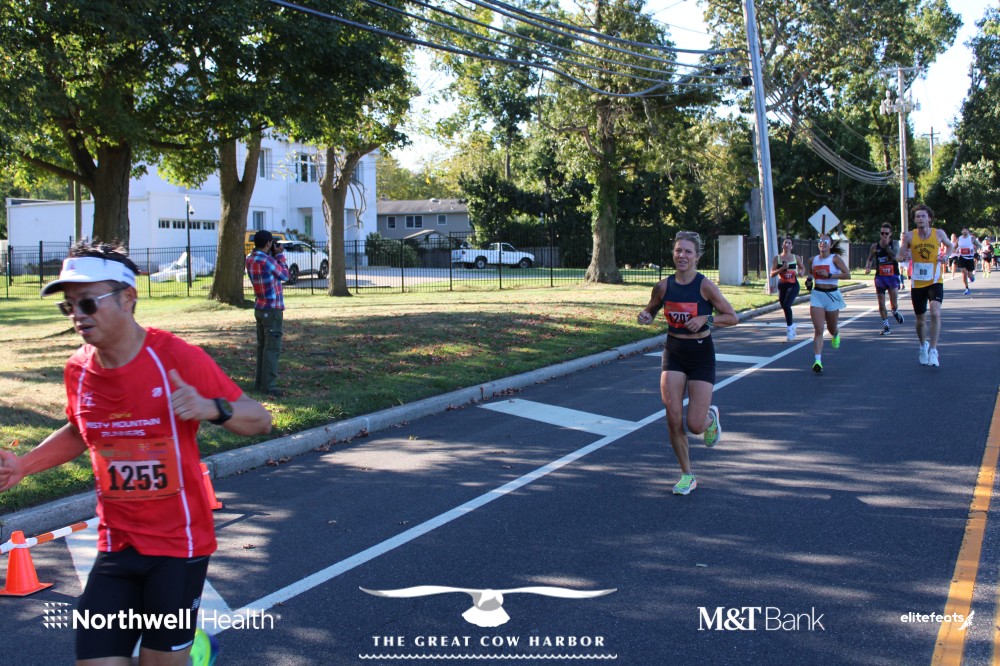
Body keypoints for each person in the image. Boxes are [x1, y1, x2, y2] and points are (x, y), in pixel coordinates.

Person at [0, 241, 272, 665]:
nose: (77, 315)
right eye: (69, 306)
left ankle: (191, 651)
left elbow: (260, 420)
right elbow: (80, 430)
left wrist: (211, 408)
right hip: (116, 543)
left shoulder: (176, 359)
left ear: (128, 297)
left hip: (178, 546)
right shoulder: (78, 369)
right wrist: (23, 465)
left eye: (87, 302)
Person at [637, 231, 738, 496]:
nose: (682, 255)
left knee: (694, 425)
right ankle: (687, 475)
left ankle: (710, 419)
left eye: (688, 251)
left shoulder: (705, 286)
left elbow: (732, 317)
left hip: (701, 354)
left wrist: (707, 319)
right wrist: (645, 316)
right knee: (672, 416)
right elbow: (651, 309)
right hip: (674, 352)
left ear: (697, 256)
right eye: (678, 250)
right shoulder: (663, 286)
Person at [897, 204, 953, 367]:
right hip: (918, 282)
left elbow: (950, 246)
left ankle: (933, 350)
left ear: (929, 218)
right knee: (921, 320)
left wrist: (946, 257)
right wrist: (904, 256)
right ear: (914, 220)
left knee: (935, 313)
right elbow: (899, 256)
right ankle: (923, 346)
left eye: (923, 216)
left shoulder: (938, 233)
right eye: (917, 216)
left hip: (935, 280)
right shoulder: (909, 236)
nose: (920, 219)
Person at [245, 230, 289, 397]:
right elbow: (285, 275)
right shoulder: (267, 260)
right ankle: (269, 386)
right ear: (269, 243)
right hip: (272, 309)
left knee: (262, 347)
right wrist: (280, 256)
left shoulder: (250, 259)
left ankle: (260, 383)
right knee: (272, 348)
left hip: (260, 307)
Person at [807, 233, 851, 374]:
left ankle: (836, 334)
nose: (823, 243)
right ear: (818, 244)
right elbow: (810, 274)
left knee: (831, 328)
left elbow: (847, 275)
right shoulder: (813, 260)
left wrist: (830, 275)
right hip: (817, 295)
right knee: (819, 329)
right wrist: (809, 280)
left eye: (826, 241)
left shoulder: (835, 258)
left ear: (830, 245)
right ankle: (817, 361)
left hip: (832, 295)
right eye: (821, 241)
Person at [865, 223, 905, 336]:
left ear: (890, 234)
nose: (884, 235)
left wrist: (887, 247)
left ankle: (894, 311)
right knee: (881, 304)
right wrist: (868, 267)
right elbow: (870, 259)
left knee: (894, 304)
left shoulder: (895, 243)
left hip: (892, 276)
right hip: (880, 277)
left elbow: (895, 257)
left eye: (886, 233)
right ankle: (886, 326)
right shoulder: (875, 246)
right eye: (882, 233)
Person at [769, 237, 805, 340]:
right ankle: (792, 325)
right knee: (783, 306)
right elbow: (772, 274)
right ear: (782, 245)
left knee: (787, 305)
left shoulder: (795, 257)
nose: (787, 245)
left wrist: (801, 272)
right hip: (782, 285)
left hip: (793, 285)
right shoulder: (777, 258)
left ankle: (789, 329)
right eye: (785, 243)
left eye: (789, 243)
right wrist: (782, 268)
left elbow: (802, 267)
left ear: (792, 246)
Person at [955, 227, 981, 295]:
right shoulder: (959, 239)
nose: (964, 231)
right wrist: (956, 250)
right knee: (964, 274)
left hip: (970, 258)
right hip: (962, 258)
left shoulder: (971, 238)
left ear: (968, 231)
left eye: (966, 230)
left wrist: (975, 250)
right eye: (963, 230)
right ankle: (967, 288)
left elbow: (978, 245)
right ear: (961, 231)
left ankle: (971, 277)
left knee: (969, 275)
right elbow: (954, 247)